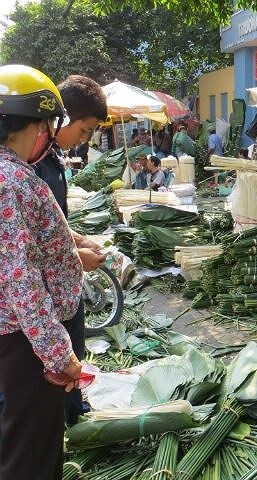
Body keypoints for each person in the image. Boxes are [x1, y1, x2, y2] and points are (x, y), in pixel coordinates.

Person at [0, 64, 84, 480]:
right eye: (50, 125)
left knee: (29, 442)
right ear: (35, 123)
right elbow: (22, 279)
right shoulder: (10, 180)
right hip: (26, 343)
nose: (51, 135)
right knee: (30, 457)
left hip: (22, 338)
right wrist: (58, 353)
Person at [33, 74, 108, 426]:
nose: (86, 138)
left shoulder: (53, 158)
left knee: (74, 352)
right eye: (85, 130)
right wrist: (77, 258)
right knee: (58, 364)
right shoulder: (28, 169)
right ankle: (67, 424)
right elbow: (26, 249)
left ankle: (74, 414)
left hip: (65, 287)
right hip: (47, 293)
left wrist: (78, 241)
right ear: (61, 118)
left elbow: (54, 225)